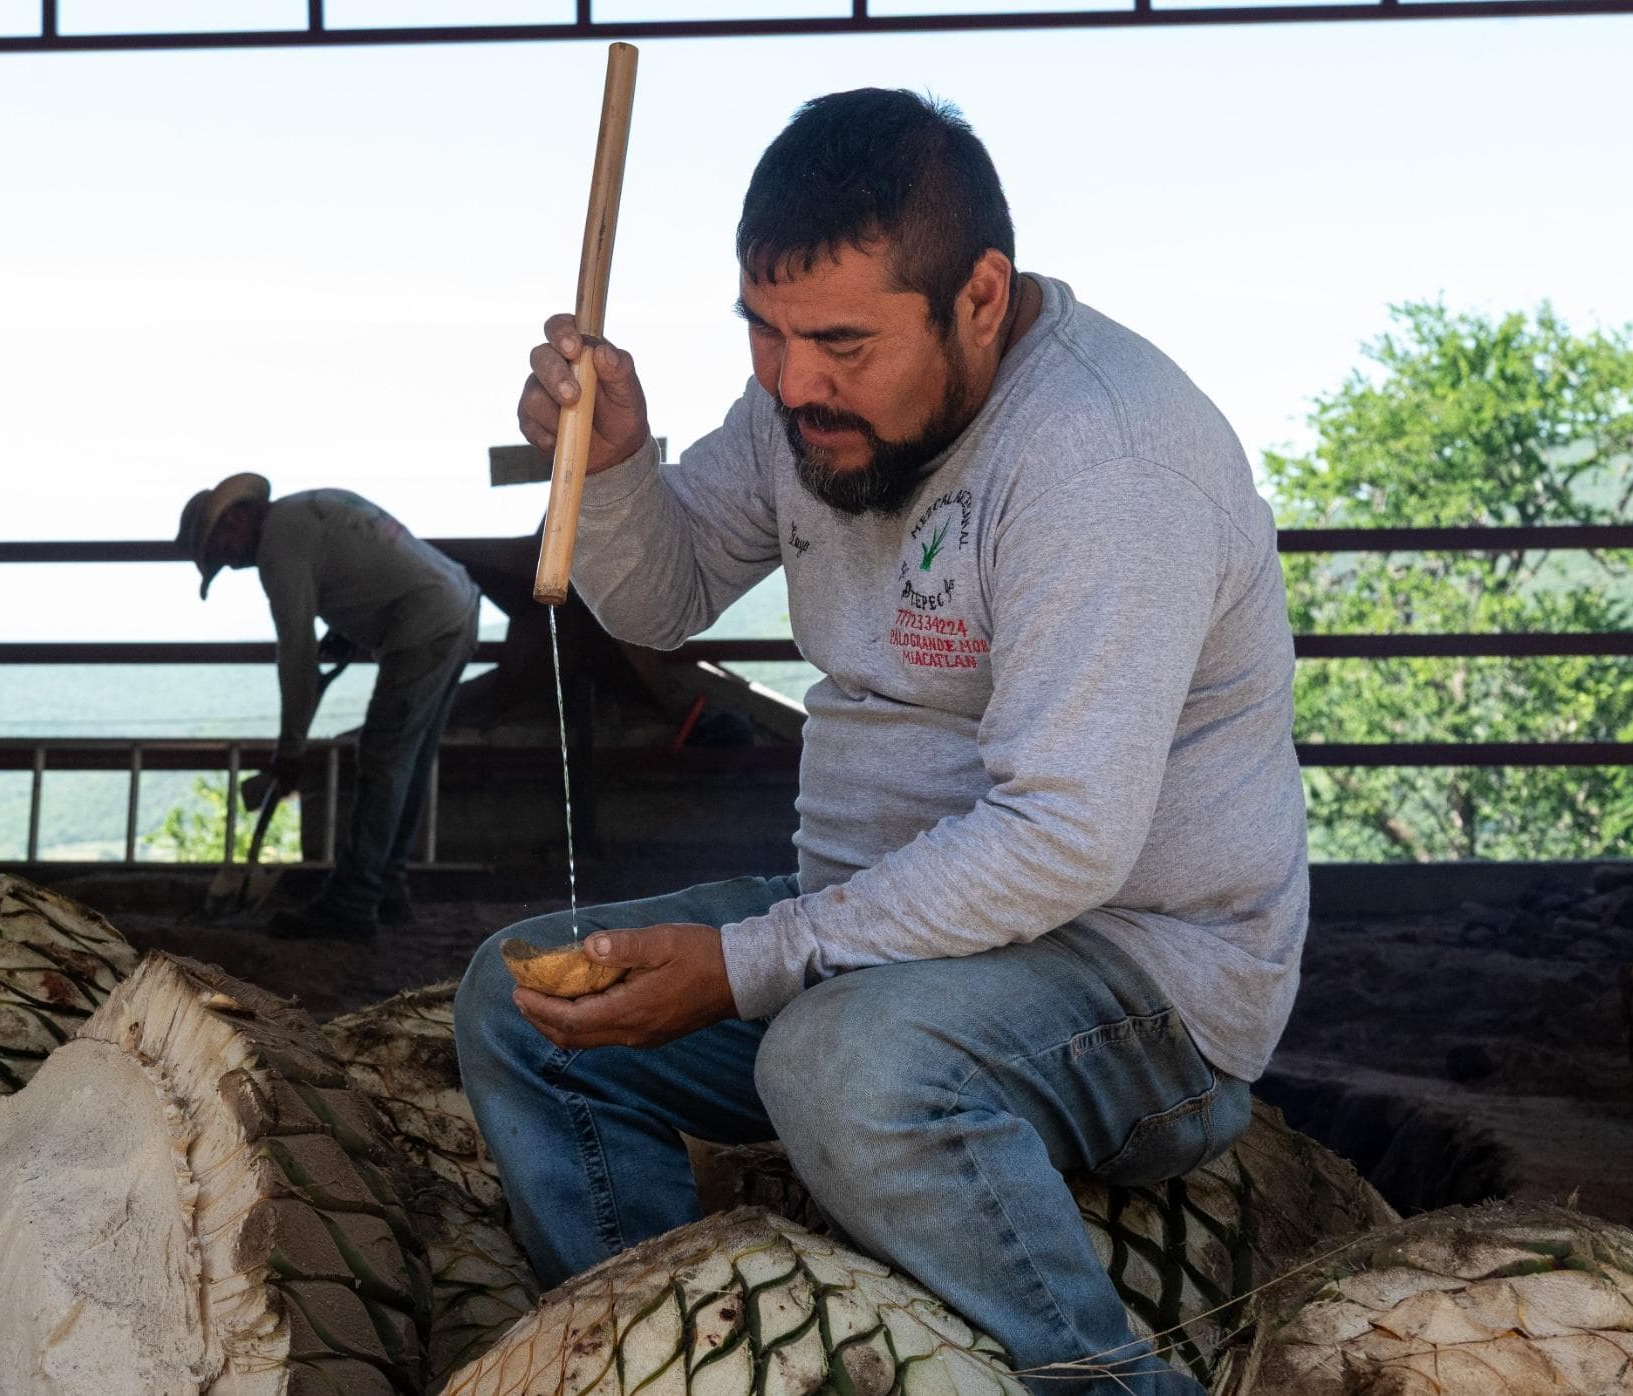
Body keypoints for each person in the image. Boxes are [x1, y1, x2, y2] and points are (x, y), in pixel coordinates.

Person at [454, 89, 1306, 1396]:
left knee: (835, 1061)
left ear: (979, 296)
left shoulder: (1107, 458)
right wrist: (617, 468)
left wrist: (750, 963)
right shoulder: (811, 407)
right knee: (527, 1001)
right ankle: (662, 1357)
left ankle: (1114, 1386)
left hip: (1139, 985)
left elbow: (1063, 840)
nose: (798, 384)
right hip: (870, 931)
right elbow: (665, 595)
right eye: (766, 334)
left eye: (843, 342)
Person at [178, 473, 480, 940]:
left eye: (222, 552)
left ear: (236, 517)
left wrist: (291, 748)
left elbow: (295, 657)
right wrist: (345, 630)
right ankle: (386, 889)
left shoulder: (278, 546)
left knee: (383, 760)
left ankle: (352, 903)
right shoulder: (309, 507)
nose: (231, 565)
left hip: (423, 622)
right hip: (457, 603)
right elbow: (371, 565)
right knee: (410, 762)